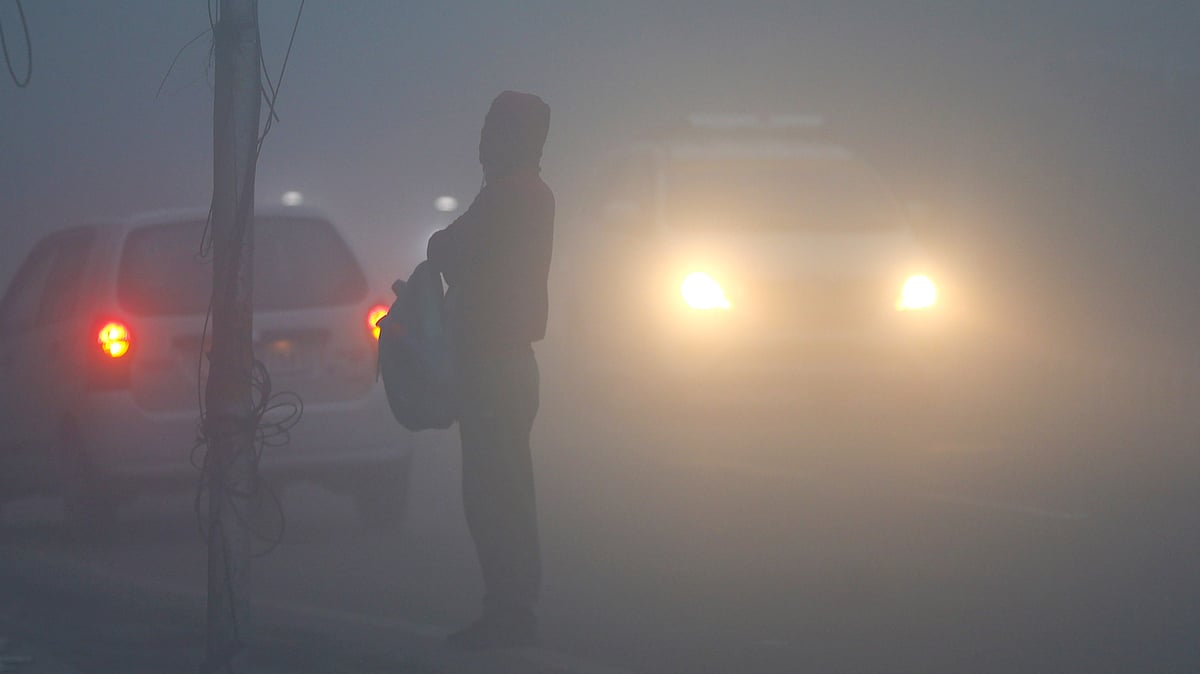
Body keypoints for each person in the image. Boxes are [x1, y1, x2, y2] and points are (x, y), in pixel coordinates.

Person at [426, 91, 554, 650]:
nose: (482, 140)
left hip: (494, 365)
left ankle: (509, 612)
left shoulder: (509, 195)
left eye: (491, 129)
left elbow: (448, 249)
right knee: (507, 492)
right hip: (512, 363)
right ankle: (510, 609)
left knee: (492, 495)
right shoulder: (532, 194)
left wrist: (441, 244)